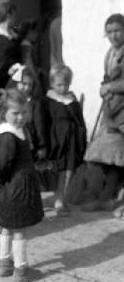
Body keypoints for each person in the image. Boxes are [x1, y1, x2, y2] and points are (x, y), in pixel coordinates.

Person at [0, 88, 44, 282]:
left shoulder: (19, 131)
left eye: (23, 112)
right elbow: (4, 163)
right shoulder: (7, 135)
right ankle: (21, 269)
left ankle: (4, 263)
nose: (20, 117)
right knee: (18, 227)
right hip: (16, 186)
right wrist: (2, 178)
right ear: (4, 112)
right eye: (15, 113)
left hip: (17, 184)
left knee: (7, 225)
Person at [82, 14, 124, 212]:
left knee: (117, 154)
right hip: (112, 110)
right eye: (109, 32)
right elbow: (107, 80)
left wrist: (110, 88)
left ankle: (110, 198)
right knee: (107, 154)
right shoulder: (110, 54)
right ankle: (105, 197)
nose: (113, 36)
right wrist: (103, 88)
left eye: (117, 31)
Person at [45, 64, 87, 215]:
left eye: (66, 84)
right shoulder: (49, 101)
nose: (62, 88)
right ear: (52, 84)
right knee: (54, 170)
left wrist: (82, 137)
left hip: (71, 141)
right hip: (55, 140)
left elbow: (80, 121)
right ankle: (53, 197)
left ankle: (60, 201)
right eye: (59, 84)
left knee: (68, 170)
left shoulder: (72, 101)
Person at [0, 2, 21, 90]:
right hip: (1, 78)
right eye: (14, 15)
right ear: (8, 15)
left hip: (16, 77)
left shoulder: (15, 35)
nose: (16, 18)